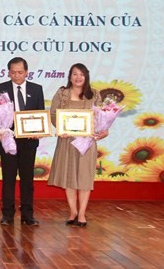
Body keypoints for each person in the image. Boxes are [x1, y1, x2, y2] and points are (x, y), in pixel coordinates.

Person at [48, 63, 108, 227]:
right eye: (74, 74)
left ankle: (82, 213)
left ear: (86, 76)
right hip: (67, 141)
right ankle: (73, 211)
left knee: (84, 177)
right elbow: (53, 113)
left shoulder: (94, 95)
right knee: (68, 177)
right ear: (70, 76)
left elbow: (101, 117)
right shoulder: (62, 93)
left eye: (81, 74)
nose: (78, 77)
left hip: (86, 142)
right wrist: (60, 127)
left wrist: (103, 130)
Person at [0, 57, 45, 226]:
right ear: (8, 72)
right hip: (7, 139)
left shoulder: (37, 89)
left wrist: (38, 131)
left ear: (27, 72)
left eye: (20, 72)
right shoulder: (0, 89)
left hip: (28, 141)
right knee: (8, 178)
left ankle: (27, 215)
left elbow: (39, 113)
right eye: (13, 72)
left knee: (27, 178)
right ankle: (7, 214)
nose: (16, 75)